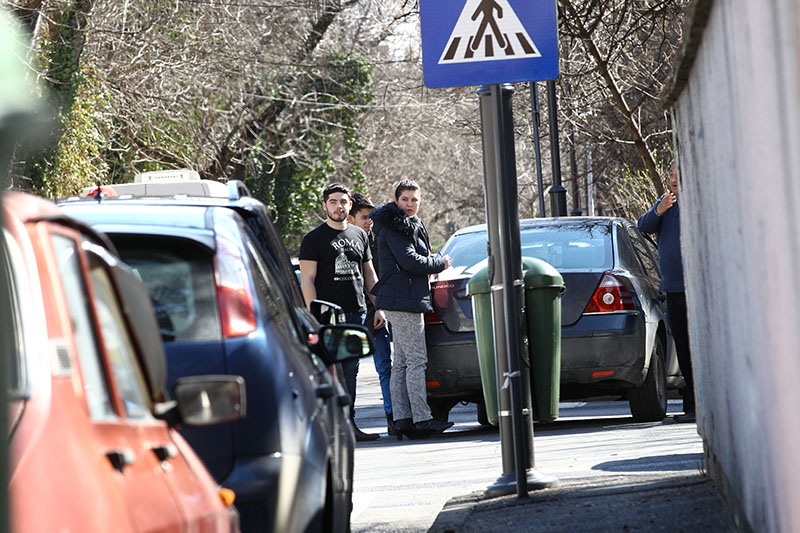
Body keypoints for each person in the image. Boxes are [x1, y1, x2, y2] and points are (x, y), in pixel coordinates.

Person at [299, 183, 386, 441]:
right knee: (327, 371)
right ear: (325, 206)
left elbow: (369, 275)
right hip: (328, 316)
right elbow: (307, 279)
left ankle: (349, 426)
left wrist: (379, 306)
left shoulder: (360, 235)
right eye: (333, 201)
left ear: (350, 205)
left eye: (343, 202)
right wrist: (313, 314)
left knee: (350, 371)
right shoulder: (313, 239)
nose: (339, 206)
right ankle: (328, 428)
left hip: (357, 313)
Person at [370, 179, 453, 439]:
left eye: (414, 199)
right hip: (404, 299)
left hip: (401, 298)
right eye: (405, 199)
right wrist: (440, 263)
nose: (409, 204)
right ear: (396, 200)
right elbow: (410, 261)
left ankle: (403, 419)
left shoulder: (408, 223)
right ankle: (422, 419)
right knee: (416, 361)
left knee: (402, 363)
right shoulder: (397, 226)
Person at [638, 163, 696, 423]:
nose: (673, 179)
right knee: (683, 348)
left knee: (696, 348)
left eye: (677, 174)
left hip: (695, 290)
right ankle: (691, 406)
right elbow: (643, 226)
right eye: (670, 175)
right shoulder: (665, 205)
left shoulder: (696, 202)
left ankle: (701, 404)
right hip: (673, 290)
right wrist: (658, 209)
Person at [348, 192, 395, 435]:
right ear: (351, 218)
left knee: (385, 366)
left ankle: (393, 417)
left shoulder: (378, 241)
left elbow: (377, 279)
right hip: (354, 315)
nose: (370, 222)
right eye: (365, 217)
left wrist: (380, 308)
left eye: (371, 217)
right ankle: (349, 422)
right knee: (349, 370)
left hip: (377, 313)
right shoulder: (343, 243)